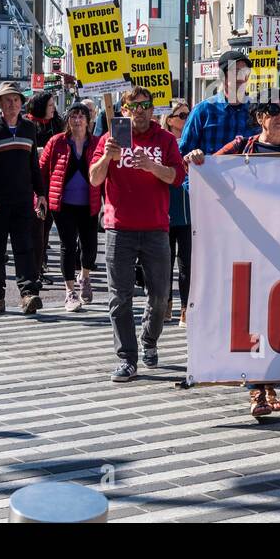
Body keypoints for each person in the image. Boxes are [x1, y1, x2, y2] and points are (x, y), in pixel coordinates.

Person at [195, 92, 280, 418]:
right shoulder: (243, 147)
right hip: (249, 245)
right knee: (256, 316)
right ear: (260, 116)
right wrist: (199, 157)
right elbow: (208, 170)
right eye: (274, 110)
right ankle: (257, 389)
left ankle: (270, 383)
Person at [89, 86, 185, 382]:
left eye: (146, 105)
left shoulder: (165, 139)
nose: (140, 111)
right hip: (120, 229)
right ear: (124, 111)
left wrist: (152, 165)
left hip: (156, 229)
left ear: (153, 109)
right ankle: (127, 358)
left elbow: (178, 177)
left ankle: (149, 340)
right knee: (120, 298)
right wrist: (107, 157)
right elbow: (94, 179)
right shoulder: (110, 139)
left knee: (160, 297)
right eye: (134, 107)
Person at [0, 82, 47, 316]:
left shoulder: (28, 129)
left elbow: (34, 166)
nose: (13, 104)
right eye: (8, 100)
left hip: (23, 200)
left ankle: (28, 294)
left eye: (16, 100)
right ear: (0, 104)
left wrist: (41, 194)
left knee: (25, 248)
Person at [39, 102, 101, 312]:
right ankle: (70, 292)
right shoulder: (56, 142)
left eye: (81, 116)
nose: (77, 120)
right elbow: (41, 170)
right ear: (68, 120)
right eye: (73, 116)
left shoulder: (96, 143)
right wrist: (40, 196)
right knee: (67, 245)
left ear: (88, 119)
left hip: (89, 203)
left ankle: (84, 277)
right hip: (63, 204)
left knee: (90, 245)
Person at [178, 51, 259, 162]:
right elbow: (182, 155)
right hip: (210, 178)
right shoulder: (203, 111)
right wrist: (193, 158)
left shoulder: (257, 111)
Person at [26, 92, 65, 287]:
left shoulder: (56, 124)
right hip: (33, 183)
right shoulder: (28, 124)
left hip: (53, 182)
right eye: (50, 105)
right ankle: (34, 268)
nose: (53, 108)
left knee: (46, 227)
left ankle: (40, 265)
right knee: (36, 227)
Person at [164, 97, 193, 326]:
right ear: (170, 119)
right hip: (165, 211)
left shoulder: (191, 140)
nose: (186, 118)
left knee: (186, 263)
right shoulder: (164, 142)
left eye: (188, 114)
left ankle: (185, 307)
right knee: (164, 262)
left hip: (188, 212)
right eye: (182, 115)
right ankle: (165, 303)